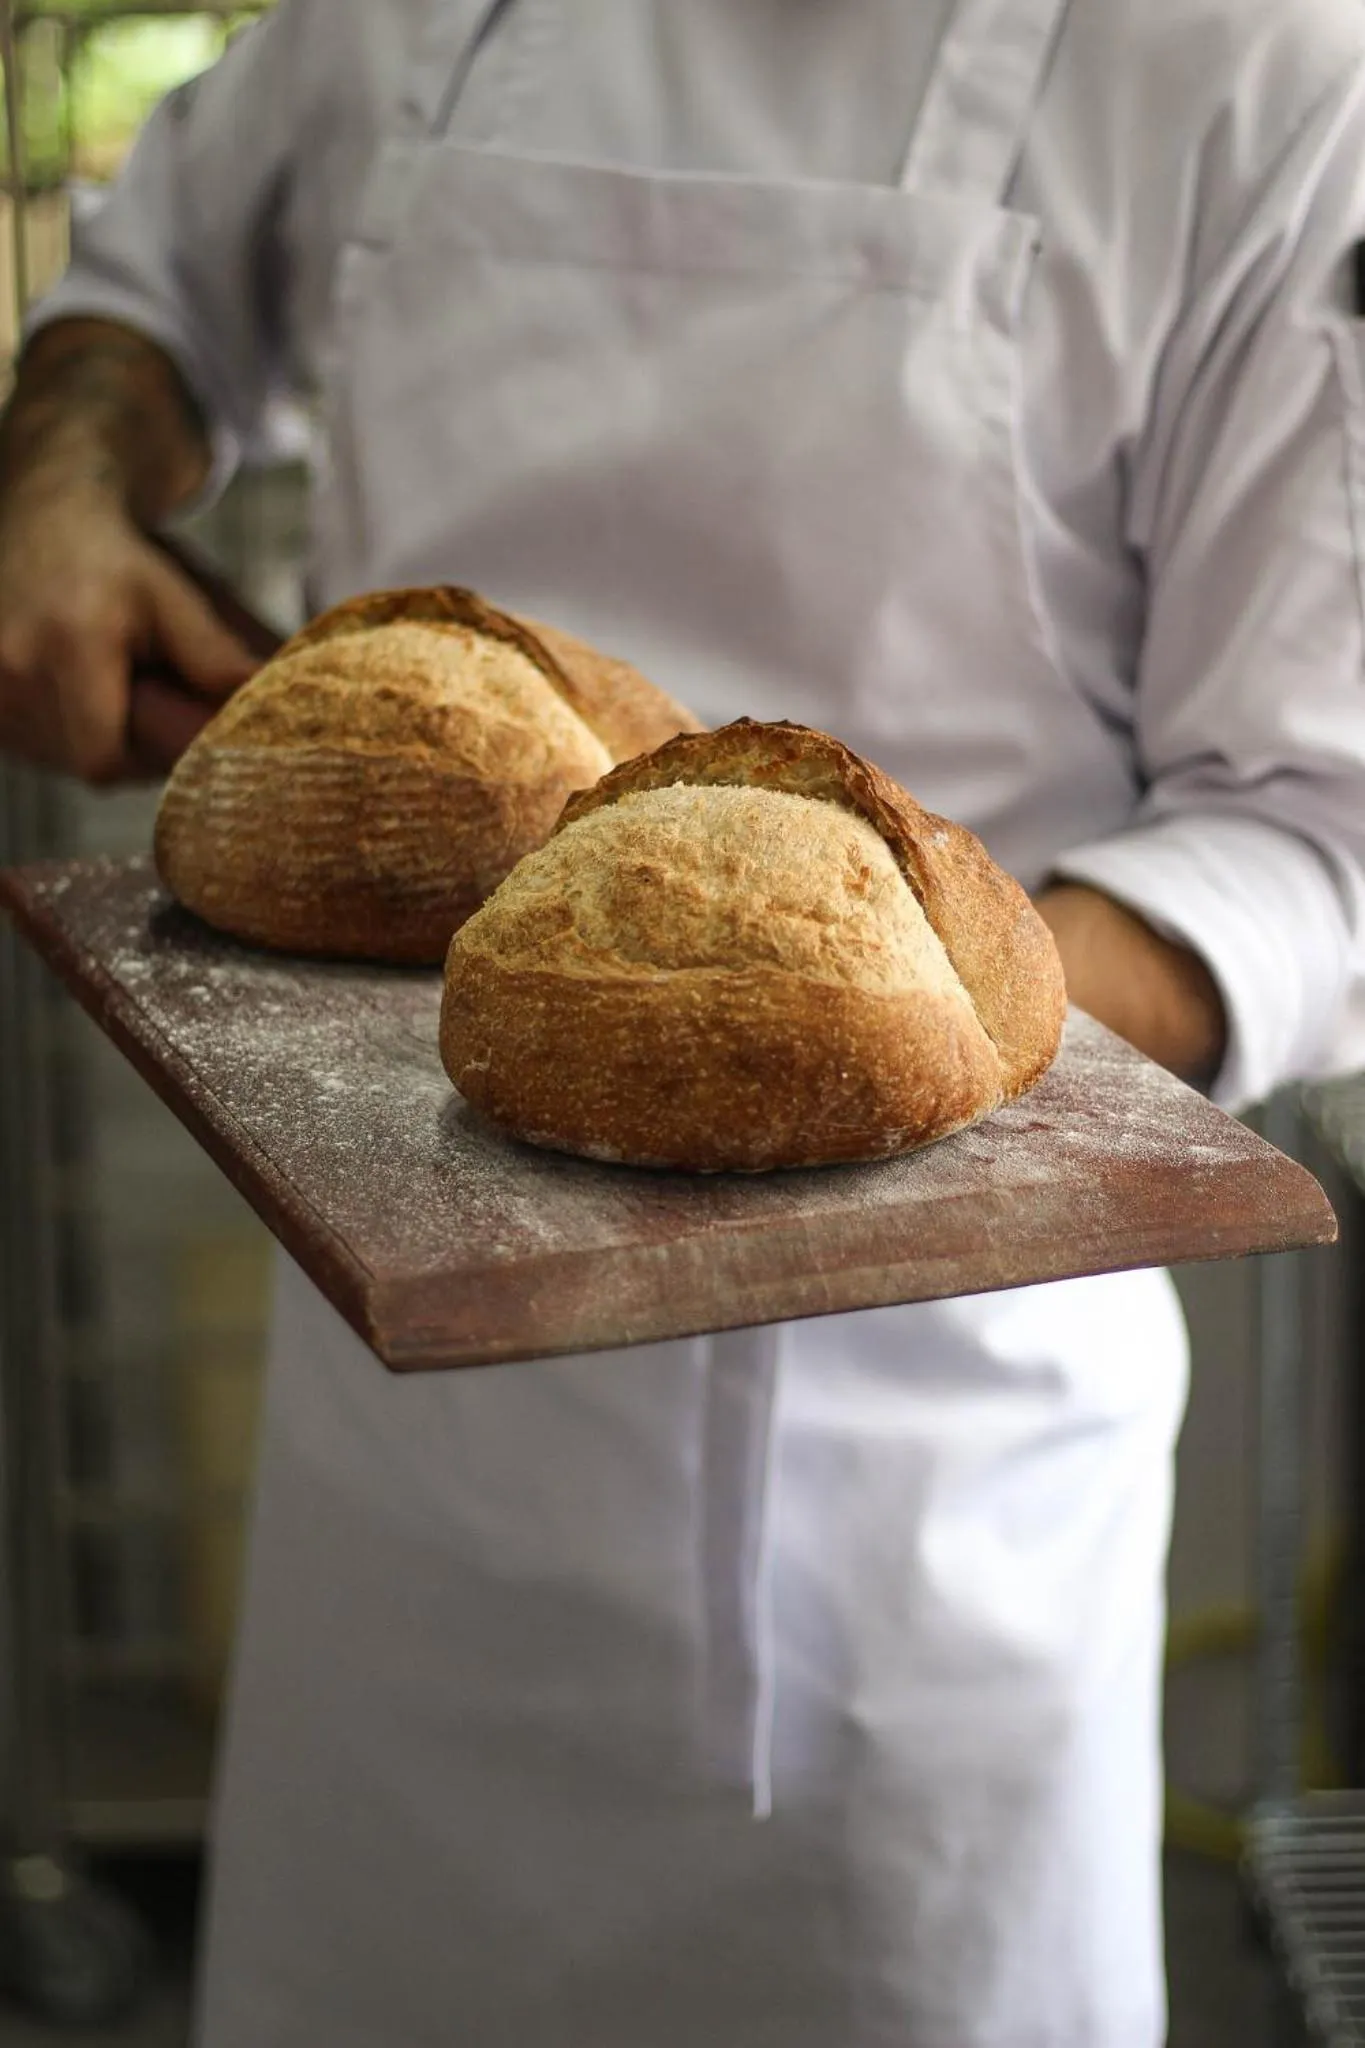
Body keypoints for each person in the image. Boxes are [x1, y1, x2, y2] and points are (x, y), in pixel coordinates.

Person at [3, 1, 1365, 2041]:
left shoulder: (1256, 69)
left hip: (924, 1502)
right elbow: (151, 299)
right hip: (402, 1453)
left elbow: (1313, 830)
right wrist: (66, 481)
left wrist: (839, 1016)